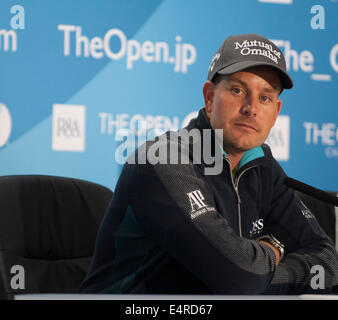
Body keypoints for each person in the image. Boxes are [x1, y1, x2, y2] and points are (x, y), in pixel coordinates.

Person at [79, 34, 338, 294]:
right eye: (238, 90)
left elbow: (327, 263)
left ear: (276, 112)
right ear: (209, 97)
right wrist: (274, 249)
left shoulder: (263, 167)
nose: (251, 108)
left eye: (265, 98)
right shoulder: (163, 160)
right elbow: (240, 277)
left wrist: (261, 270)